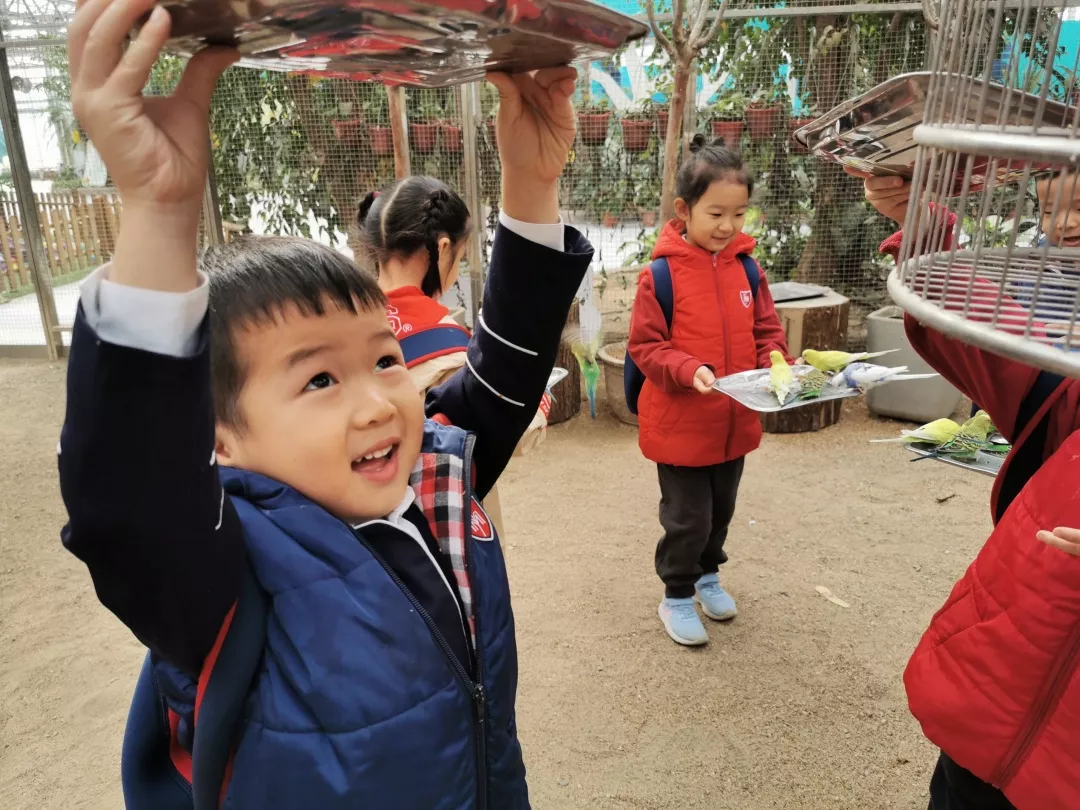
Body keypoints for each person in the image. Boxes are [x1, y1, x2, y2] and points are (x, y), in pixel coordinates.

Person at [56, 0, 592, 806]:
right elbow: (127, 499)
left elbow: (505, 375)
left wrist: (531, 182)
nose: (382, 400)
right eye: (318, 379)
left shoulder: (430, 487)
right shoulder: (221, 577)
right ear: (218, 439)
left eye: (382, 358)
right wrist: (158, 215)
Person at [857, 167, 1080, 810]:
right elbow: (1010, 353)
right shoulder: (1064, 337)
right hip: (1005, 674)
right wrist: (924, 234)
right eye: (1047, 210)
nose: (1061, 227)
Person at [627, 135, 792, 647]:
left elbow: (767, 332)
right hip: (680, 425)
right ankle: (676, 593)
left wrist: (779, 363)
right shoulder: (661, 276)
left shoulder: (748, 268)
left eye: (739, 214)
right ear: (684, 209)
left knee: (721, 511)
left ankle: (708, 576)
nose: (728, 226)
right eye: (716, 213)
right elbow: (646, 346)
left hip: (734, 421)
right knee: (688, 517)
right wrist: (687, 367)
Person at [354, 176, 559, 537]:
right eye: (460, 258)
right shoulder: (448, 347)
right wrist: (539, 400)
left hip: (365, 516)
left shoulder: (344, 324)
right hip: (445, 516)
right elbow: (511, 431)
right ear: (443, 247)